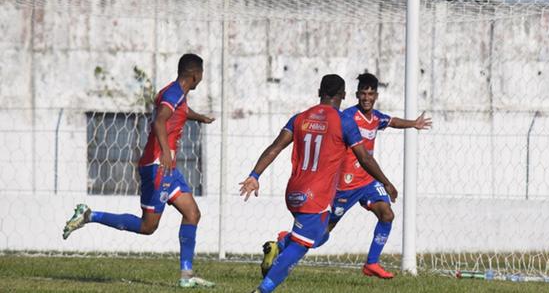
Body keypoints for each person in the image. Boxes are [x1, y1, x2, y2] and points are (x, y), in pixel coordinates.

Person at [62, 53, 216, 288]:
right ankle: (89, 215)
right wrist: (165, 150)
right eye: (201, 74)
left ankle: (187, 276)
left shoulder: (173, 92)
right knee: (148, 227)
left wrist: (199, 118)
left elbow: (179, 111)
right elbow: (159, 121)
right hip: (158, 166)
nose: (202, 78)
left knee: (192, 213)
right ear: (196, 75)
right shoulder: (174, 94)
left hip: (168, 168)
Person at [239, 74, 397, 293]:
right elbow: (365, 158)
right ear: (343, 95)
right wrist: (386, 182)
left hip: (294, 191)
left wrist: (254, 176)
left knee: (320, 235)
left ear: (319, 92)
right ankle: (263, 289)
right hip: (316, 194)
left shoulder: (299, 118)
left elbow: (275, 147)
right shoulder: (344, 121)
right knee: (302, 245)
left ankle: (279, 246)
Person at [272, 72, 431, 279]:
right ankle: (283, 243)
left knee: (387, 214)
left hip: (367, 182)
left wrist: (413, 123)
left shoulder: (375, 118)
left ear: (376, 96)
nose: (367, 98)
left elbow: (392, 121)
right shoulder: (346, 118)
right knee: (320, 236)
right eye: (363, 93)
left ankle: (371, 263)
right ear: (355, 95)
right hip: (344, 185)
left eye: (371, 93)